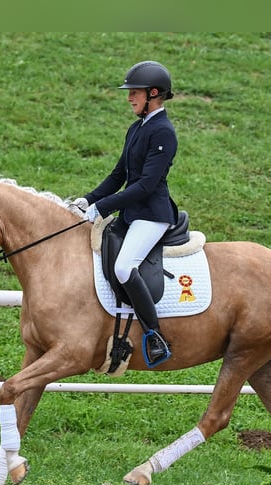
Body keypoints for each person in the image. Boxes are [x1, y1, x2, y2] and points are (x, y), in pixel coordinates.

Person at [71, 60, 179, 367]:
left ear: (153, 94)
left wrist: (103, 207)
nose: (129, 97)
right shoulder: (137, 128)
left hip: (152, 214)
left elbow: (145, 185)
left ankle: (154, 336)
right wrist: (87, 200)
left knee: (123, 267)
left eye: (135, 92)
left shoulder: (164, 133)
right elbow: (119, 174)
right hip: (132, 213)